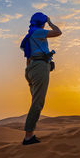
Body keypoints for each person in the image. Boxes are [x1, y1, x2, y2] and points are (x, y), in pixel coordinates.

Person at [19, 12, 62, 145]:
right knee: (38, 103)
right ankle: (28, 136)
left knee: (35, 102)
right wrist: (50, 22)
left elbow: (28, 57)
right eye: (44, 21)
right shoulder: (37, 32)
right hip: (39, 68)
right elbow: (58, 32)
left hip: (32, 68)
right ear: (41, 22)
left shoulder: (31, 34)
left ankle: (29, 134)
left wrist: (29, 72)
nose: (44, 24)